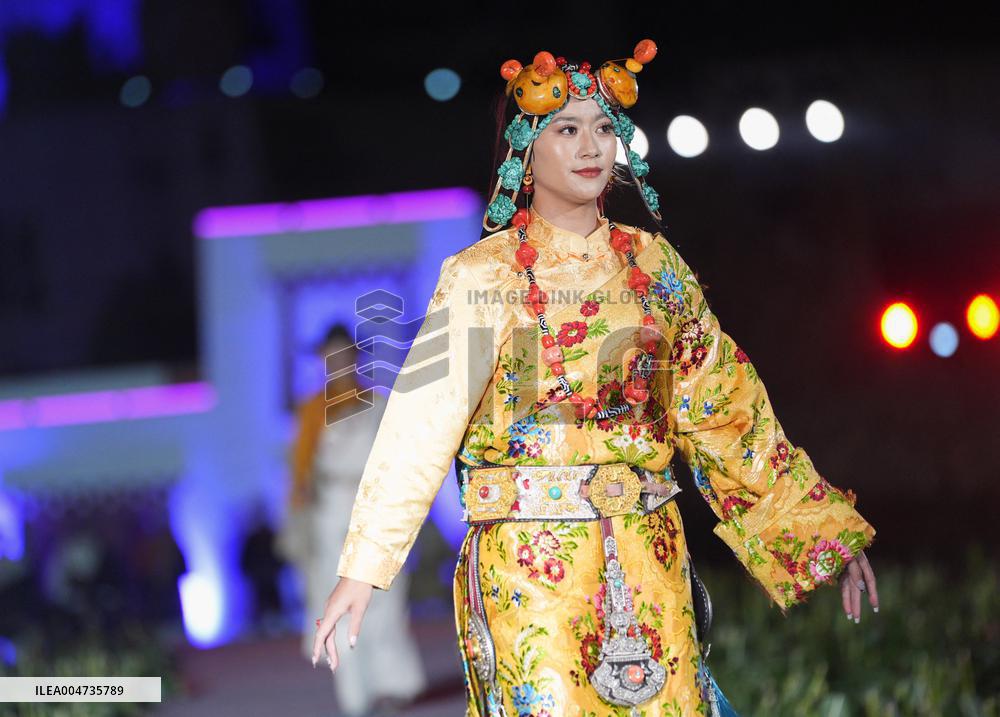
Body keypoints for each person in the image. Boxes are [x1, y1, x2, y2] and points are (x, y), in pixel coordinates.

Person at [313, 41, 880, 716]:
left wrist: (824, 533)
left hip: (648, 555)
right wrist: (362, 569)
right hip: (529, 568)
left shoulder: (656, 266)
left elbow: (729, 416)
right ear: (527, 149)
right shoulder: (482, 277)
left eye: (606, 128)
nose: (592, 146)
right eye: (568, 129)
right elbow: (418, 428)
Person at [288, 323, 427, 716]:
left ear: (355, 357)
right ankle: (355, 695)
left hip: (375, 509)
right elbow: (299, 473)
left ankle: (395, 683)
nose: (337, 364)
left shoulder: (377, 404)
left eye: (343, 355)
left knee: (385, 595)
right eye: (328, 357)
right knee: (333, 598)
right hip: (329, 515)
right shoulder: (312, 411)